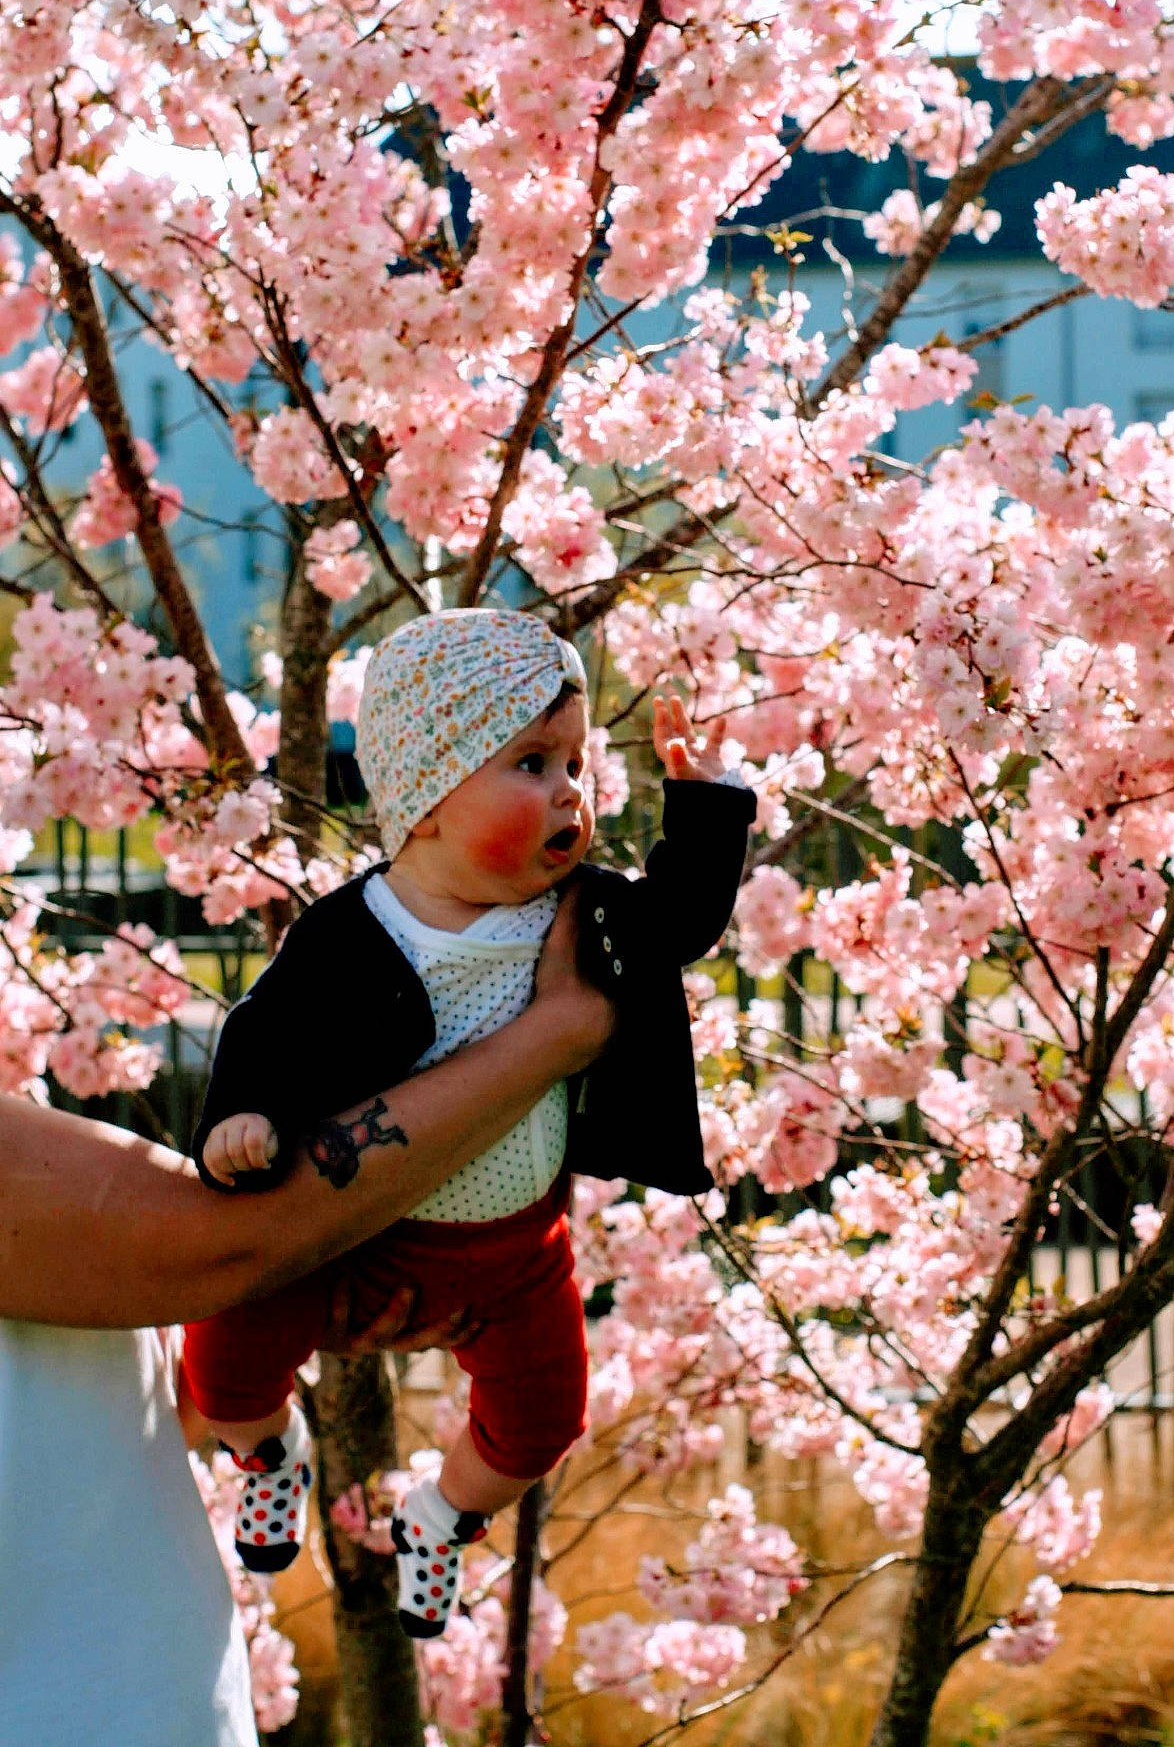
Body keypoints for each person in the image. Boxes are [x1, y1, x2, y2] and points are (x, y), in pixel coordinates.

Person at [181, 607, 756, 1637]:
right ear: (427, 798)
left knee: (545, 1420)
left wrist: (706, 805)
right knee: (222, 1362)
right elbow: (267, 1026)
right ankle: (267, 1446)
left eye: (575, 760)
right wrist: (243, 1114)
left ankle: (441, 1517)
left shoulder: (584, 909)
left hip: (515, 1249)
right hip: (356, 1233)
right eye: (531, 761)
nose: (569, 788)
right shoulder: (360, 928)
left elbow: (683, 924)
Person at [0, 882, 612, 1747]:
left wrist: (298, 1301)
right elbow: (229, 1245)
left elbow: (124, 1408)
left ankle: (345, 1479)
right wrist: (551, 1038)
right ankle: (286, 1458)